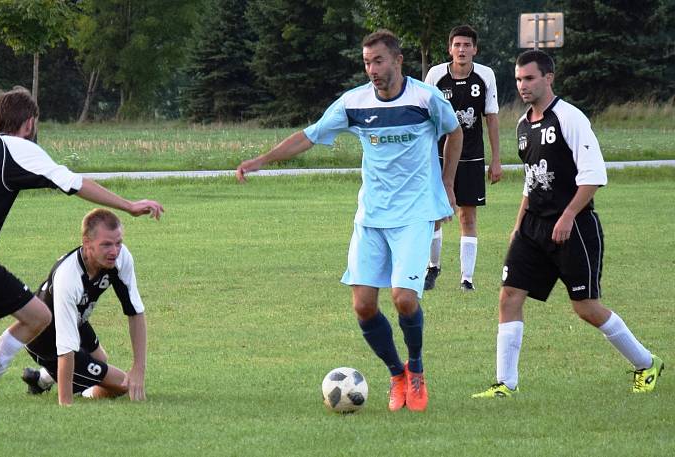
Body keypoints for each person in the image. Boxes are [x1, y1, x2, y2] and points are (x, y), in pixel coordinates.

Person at [0, 87, 163, 443]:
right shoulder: (17, 148)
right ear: (30, 123)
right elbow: (72, 181)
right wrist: (128, 205)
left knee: (38, 316)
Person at [236, 30, 462, 412]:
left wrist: (447, 184)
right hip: (371, 216)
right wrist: (261, 160)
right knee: (363, 306)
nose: (372, 69)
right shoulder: (353, 103)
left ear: (397, 60)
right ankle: (397, 373)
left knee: (404, 299)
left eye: (378, 61)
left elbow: (454, 133)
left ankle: (418, 370)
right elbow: (309, 136)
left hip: (414, 214)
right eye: (366, 62)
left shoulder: (426, 98)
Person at [472, 50, 663, 398]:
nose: (522, 85)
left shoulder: (570, 118)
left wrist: (568, 216)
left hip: (574, 226)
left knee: (585, 307)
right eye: (518, 79)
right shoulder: (523, 125)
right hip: (533, 227)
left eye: (529, 78)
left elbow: (594, 176)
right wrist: (518, 228)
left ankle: (647, 362)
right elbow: (532, 181)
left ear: (548, 78)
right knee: (510, 295)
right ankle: (505, 384)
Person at [21, 208, 147, 405]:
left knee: (101, 359)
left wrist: (139, 369)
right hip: (44, 339)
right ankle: (83, 391)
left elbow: (135, 311)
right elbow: (65, 348)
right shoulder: (69, 277)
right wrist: (66, 403)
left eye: (118, 243)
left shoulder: (121, 258)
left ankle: (41, 380)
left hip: (76, 320)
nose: (114, 251)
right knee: (122, 384)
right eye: (106, 244)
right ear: (87, 243)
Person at [423, 25, 502, 291]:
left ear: (475, 49)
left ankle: (466, 279)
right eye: (457, 45)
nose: (462, 49)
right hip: (438, 156)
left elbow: (491, 117)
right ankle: (432, 268)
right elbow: (424, 117)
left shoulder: (485, 75)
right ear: (450, 49)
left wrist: (496, 159)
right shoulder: (435, 75)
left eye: (467, 45)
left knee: (467, 217)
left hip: (471, 157)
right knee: (435, 214)